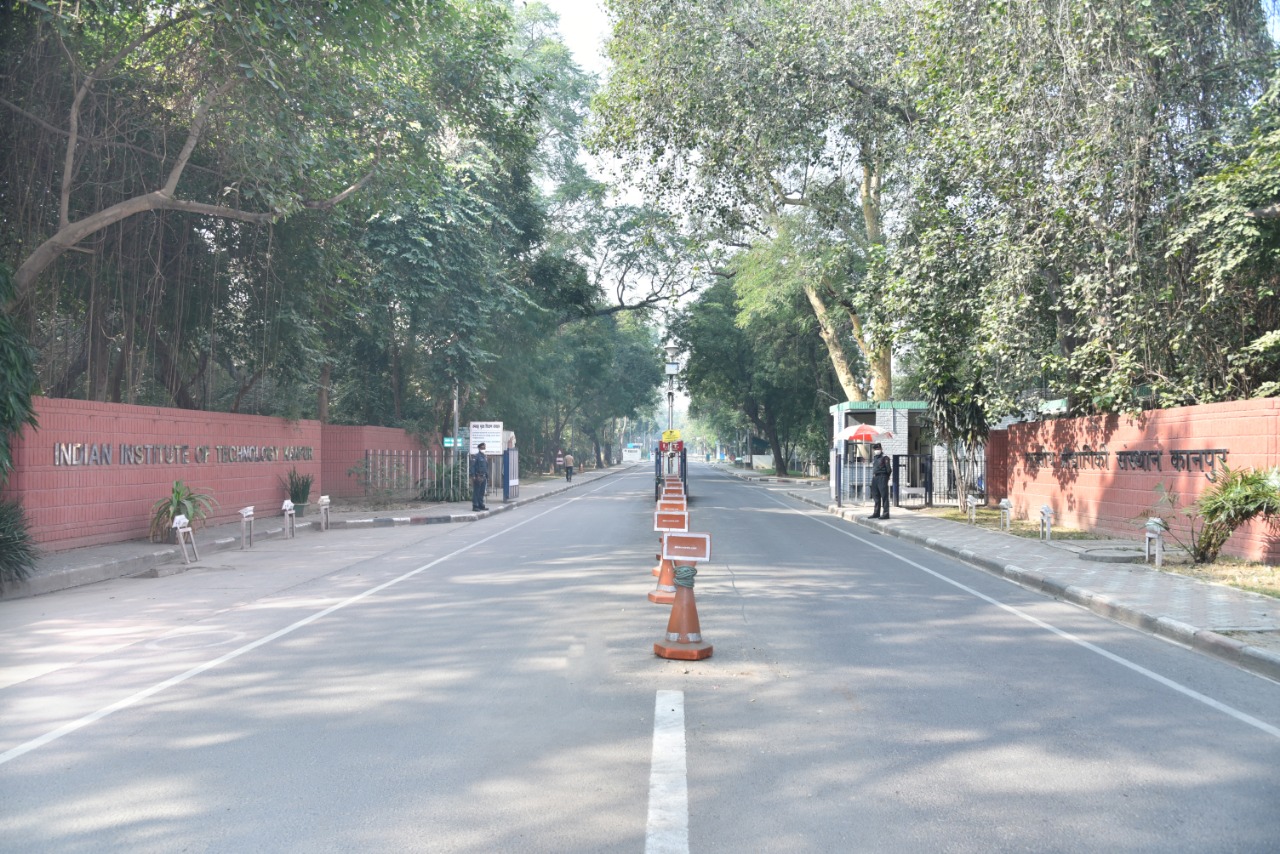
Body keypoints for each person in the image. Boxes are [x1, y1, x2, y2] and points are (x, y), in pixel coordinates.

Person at [868, 442, 891, 520]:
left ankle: (886, 513)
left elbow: (889, 470)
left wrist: (886, 478)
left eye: (878, 449)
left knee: (884, 496)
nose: (877, 450)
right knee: (876, 496)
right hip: (875, 478)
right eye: (875, 449)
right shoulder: (875, 458)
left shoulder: (885, 458)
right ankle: (876, 513)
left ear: (881, 449)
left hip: (882, 477)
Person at [470, 442, 489, 511]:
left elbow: (486, 467)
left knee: (482, 492)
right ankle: (475, 505)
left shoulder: (484, 456)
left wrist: (487, 476)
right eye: (482, 448)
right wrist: (473, 475)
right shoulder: (476, 456)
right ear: (479, 448)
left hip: (484, 476)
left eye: (484, 448)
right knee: (476, 492)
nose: (483, 449)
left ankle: (481, 505)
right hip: (478, 476)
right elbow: (473, 466)